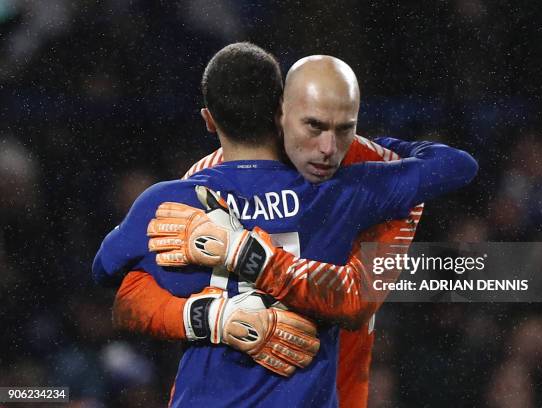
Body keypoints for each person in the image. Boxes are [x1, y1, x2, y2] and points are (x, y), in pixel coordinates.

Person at [93, 42, 478, 407]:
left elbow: (356, 299)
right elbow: (132, 297)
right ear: (281, 111)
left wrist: (247, 255)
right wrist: (216, 319)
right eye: (313, 126)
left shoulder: (373, 178)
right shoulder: (205, 177)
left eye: (343, 129)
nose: (328, 148)